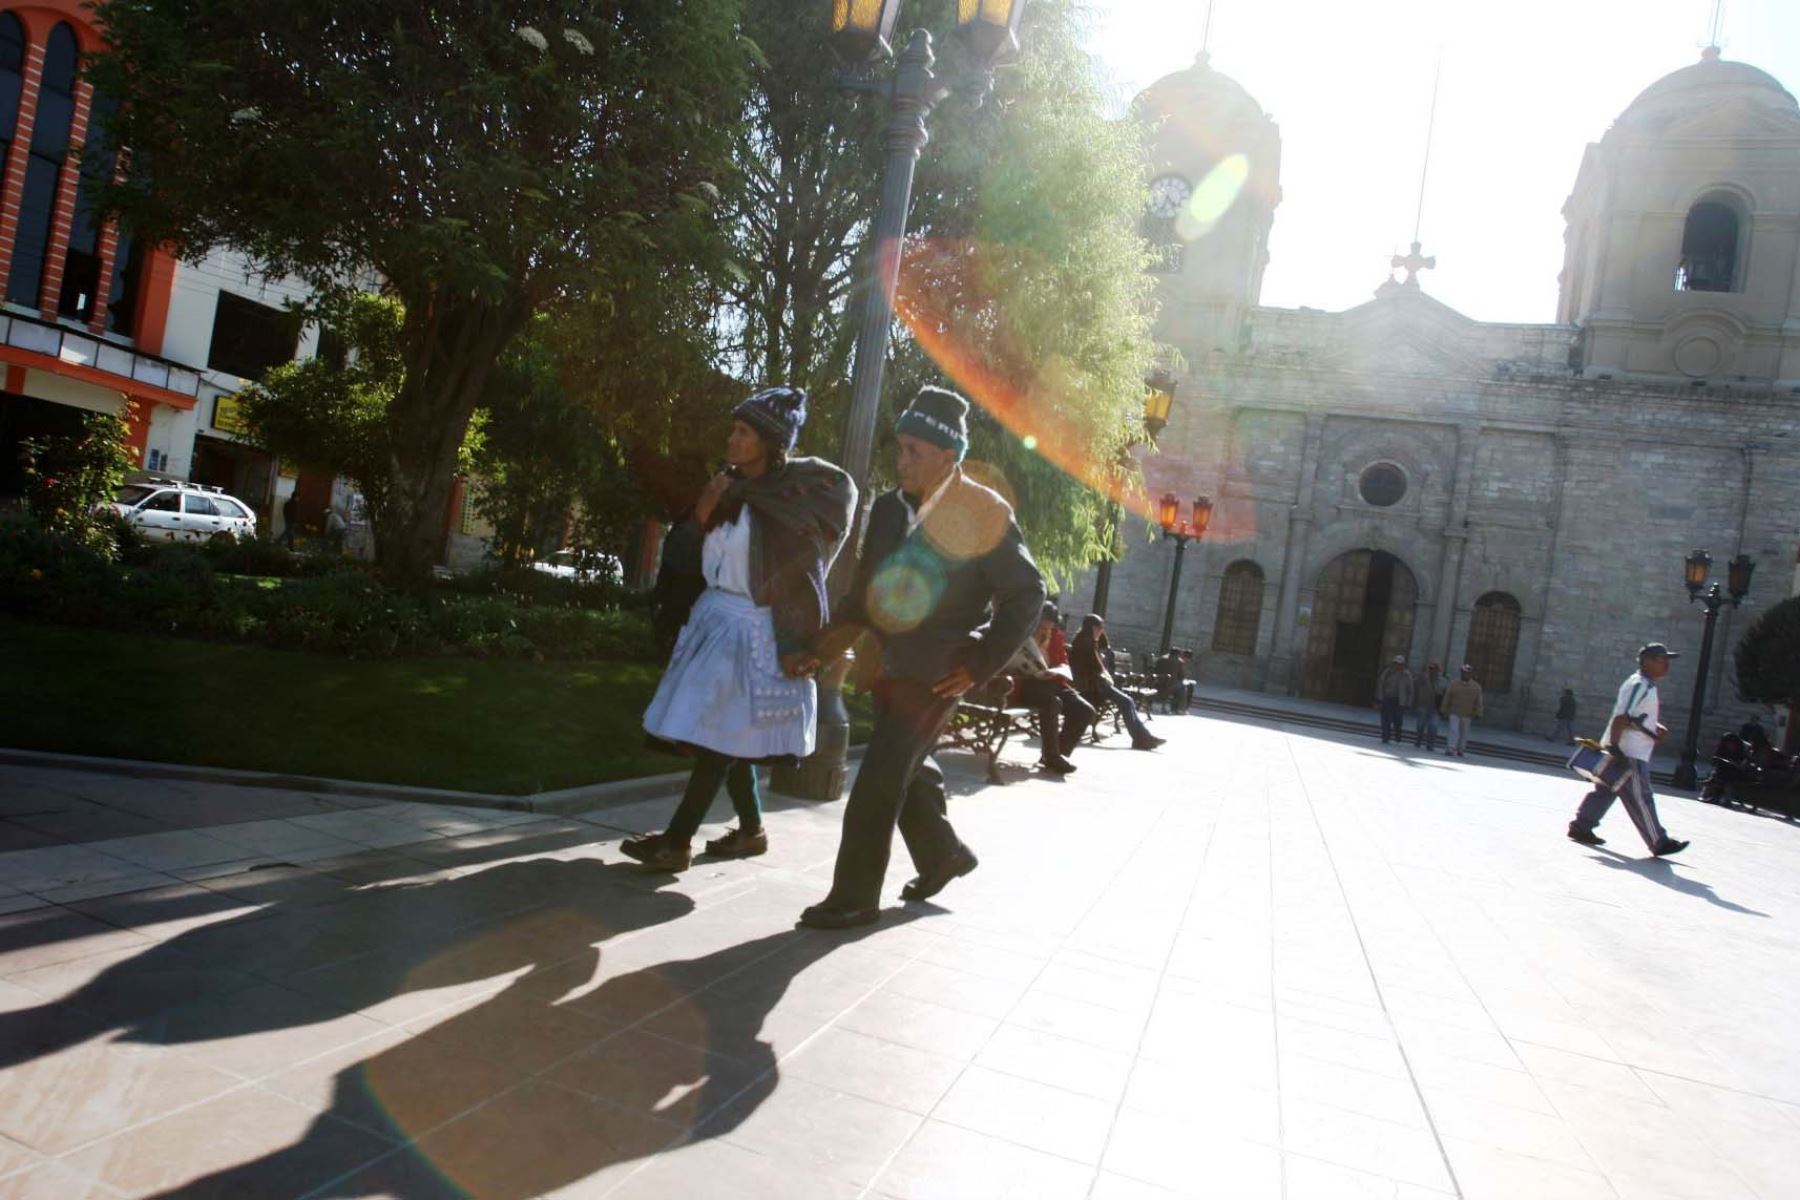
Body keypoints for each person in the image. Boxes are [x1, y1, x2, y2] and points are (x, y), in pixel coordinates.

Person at [792, 386, 1045, 929]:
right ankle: (943, 853)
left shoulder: (983, 510)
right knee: (909, 771)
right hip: (885, 666)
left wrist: (980, 663)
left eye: (915, 451)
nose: (901, 460)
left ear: (948, 457)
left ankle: (854, 898)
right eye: (900, 448)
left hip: (938, 674)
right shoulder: (887, 510)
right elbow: (865, 591)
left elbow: (1027, 593)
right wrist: (823, 646)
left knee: (879, 779)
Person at [625, 387, 856, 872]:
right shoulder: (727, 490)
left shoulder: (784, 508)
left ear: (769, 443)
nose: (731, 439)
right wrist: (703, 514)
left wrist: (797, 644)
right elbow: (686, 560)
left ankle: (677, 842)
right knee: (729, 736)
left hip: (755, 634)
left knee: (719, 740)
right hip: (715, 622)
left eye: (743, 432)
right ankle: (751, 832)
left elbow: (800, 579)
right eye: (734, 430)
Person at [1567, 643, 1688, 856]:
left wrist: (1653, 727)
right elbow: (1622, 717)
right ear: (1648, 661)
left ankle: (1581, 827)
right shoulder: (1642, 685)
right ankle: (1658, 841)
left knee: (1605, 790)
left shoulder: (1639, 684)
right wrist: (1615, 747)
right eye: (1662, 659)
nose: (1667, 664)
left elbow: (1631, 717)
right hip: (1630, 752)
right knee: (1641, 796)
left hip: (1624, 748)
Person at [1009, 603, 1095, 775]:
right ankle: (1052, 756)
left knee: (1086, 710)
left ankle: (1057, 753)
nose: (1046, 630)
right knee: (1052, 703)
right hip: (1028, 685)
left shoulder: (1056, 636)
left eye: (1049, 626)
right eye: (1042, 626)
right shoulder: (1022, 635)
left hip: (1053, 682)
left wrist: (1057, 669)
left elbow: (1062, 661)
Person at [1070, 614, 1165, 751]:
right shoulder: (1085, 642)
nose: (1100, 631)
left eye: (1101, 629)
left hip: (1096, 683)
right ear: (1090, 628)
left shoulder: (1088, 640)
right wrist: (1100, 655)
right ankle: (1141, 738)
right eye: (1098, 628)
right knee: (1127, 702)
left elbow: (1105, 646)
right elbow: (1097, 667)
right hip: (1092, 686)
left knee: (1128, 702)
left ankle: (1142, 737)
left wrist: (1100, 635)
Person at [1440, 664, 1483, 757]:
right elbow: (1447, 696)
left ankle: (1460, 749)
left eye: (1468, 673)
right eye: (1463, 672)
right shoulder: (1454, 683)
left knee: (1464, 732)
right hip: (1454, 711)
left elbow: (1479, 701)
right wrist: (1443, 709)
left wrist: (1478, 713)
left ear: (1471, 674)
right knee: (1453, 730)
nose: (1465, 674)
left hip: (1467, 713)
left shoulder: (1476, 687)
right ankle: (1451, 748)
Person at [1375, 655, 1414, 745]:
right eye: (1396, 663)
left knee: (1397, 720)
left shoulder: (1406, 675)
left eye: (1399, 664)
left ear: (1403, 665)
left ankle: (1397, 734)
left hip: (1399, 701)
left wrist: (1408, 703)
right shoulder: (1388, 672)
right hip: (1388, 698)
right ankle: (1386, 736)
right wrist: (1379, 698)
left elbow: (1410, 690)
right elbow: (1381, 684)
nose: (1397, 665)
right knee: (1386, 719)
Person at [1413, 661, 1445, 751]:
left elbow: (1444, 693)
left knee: (1433, 726)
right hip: (1423, 705)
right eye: (1430, 668)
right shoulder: (1423, 678)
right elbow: (1415, 685)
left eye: (1434, 669)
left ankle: (1430, 744)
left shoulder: (1442, 681)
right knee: (1420, 725)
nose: (1432, 671)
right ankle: (1418, 740)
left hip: (1435, 708)